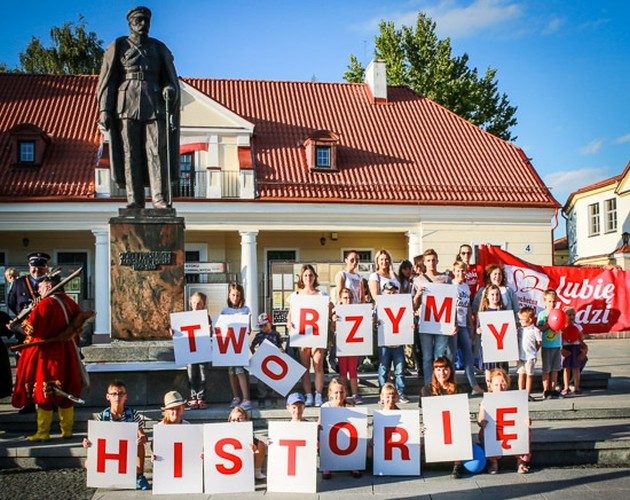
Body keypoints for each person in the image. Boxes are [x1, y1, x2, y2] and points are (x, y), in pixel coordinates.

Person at [97, 6, 180, 209]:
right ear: (130, 23)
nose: (143, 24)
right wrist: (104, 110)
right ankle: (135, 200)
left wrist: (169, 89)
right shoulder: (118, 46)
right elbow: (108, 81)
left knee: (157, 151)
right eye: (139, 20)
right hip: (126, 103)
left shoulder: (159, 48)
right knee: (130, 152)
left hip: (154, 102)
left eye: (146, 21)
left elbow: (169, 79)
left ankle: (159, 198)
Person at [11, 274, 88, 441]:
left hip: (47, 354)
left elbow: (32, 330)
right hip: (66, 350)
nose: (38, 290)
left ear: (48, 285)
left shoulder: (45, 304)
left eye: (40, 286)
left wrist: (15, 325)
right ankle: (67, 431)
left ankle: (43, 432)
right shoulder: (68, 301)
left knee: (44, 392)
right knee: (65, 391)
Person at [82, 380, 149, 490]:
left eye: (121, 393)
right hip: (110, 452)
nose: (117, 397)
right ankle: (106, 475)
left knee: (139, 445)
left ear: (125, 396)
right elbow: (93, 440)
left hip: (125, 452)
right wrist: (86, 443)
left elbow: (143, 436)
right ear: (108, 397)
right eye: (114, 394)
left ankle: (139, 476)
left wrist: (142, 438)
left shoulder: (132, 414)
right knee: (88, 463)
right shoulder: (102, 416)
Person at [287, 265, 330, 407]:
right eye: (305, 275)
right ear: (301, 277)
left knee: (318, 366)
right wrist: (289, 324)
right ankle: (308, 395)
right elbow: (291, 315)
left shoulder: (321, 295)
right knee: (304, 367)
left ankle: (318, 394)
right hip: (303, 335)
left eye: (311, 275)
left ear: (315, 277)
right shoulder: (296, 296)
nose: (308, 278)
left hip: (317, 334)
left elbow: (330, 310)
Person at [478, 368, 532, 474]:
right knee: (485, 432)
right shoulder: (486, 401)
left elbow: (522, 415)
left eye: (502, 384)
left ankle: (521, 462)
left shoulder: (515, 399)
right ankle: (493, 462)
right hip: (496, 428)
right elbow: (480, 418)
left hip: (510, 428)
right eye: (496, 385)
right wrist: (482, 422)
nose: (500, 388)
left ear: (507, 384)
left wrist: (527, 421)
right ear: (491, 386)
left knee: (527, 431)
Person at [419, 357, 463, 479]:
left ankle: (457, 465)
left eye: (445, 369)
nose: (442, 373)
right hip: (435, 426)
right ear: (434, 371)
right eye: (438, 369)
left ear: (450, 370)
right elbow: (426, 413)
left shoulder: (458, 389)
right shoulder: (426, 390)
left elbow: (460, 412)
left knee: (459, 433)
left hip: (452, 426)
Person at [415, 249, 453, 385]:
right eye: (428, 260)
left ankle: (440, 384)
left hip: (443, 323)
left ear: (437, 260)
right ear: (424, 262)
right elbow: (413, 305)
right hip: (426, 322)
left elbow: (452, 302)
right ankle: (428, 386)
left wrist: (452, 322)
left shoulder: (446, 279)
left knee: (439, 356)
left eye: (433, 260)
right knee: (426, 357)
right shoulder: (418, 280)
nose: (431, 263)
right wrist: (418, 295)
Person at [319, 378, 361, 479]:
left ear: (346, 392)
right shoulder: (325, 407)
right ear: (330, 394)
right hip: (330, 437)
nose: (339, 395)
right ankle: (327, 467)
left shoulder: (350, 406)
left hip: (347, 436)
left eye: (342, 392)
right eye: (336, 392)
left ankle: (353, 466)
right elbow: (319, 424)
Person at [452, 261, 483, 396]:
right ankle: (451, 385)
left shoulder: (466, 287)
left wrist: (471, 325)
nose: (460, 273)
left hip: (464, 324)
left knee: (468, 355)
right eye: (458, 271)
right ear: (454, 271)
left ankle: (474, 385)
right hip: (453, 325)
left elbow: (468, 307)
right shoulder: (450, 285)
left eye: (463, 271)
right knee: (451, 356)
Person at [377, 281, 410, 403]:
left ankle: (401, 393)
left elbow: (407, 322)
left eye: (393, 292)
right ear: (383, 293)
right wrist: (375, 322)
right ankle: (382, 394)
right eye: (388, 292)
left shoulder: (402, 305)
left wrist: (410, 326)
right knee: (383, 369)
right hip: (384, 343)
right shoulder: (379, 306)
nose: (390, 294)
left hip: (398, 343)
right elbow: (374, 320)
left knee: (400, 370)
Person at [221, 283, 252, 410]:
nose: (235, 297)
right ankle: (236, 397)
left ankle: (246, 398)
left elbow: (248, 328)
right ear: (229, 295)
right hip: (228, 344)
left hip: (240, 343)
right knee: (231, 371)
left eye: (238, 295)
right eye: (233, 295)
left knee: (240, 370)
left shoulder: (245, 310)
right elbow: (221, 328)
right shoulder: (224, 311)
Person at [477, 284, 511, 389]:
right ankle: (490, 388)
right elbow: (478, 328)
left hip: (500, 345)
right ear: (487, 296)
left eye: (497, 294)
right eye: (492, 295)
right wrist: (479, 330)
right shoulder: (483, 311)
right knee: (489, 369)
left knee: (501, 368)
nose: (495, 297)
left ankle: (502, 388)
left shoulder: (503, 311)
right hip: (488, 345)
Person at [333, 288, 362, 404]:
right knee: (343, 370)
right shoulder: (336, 311)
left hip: (353, 343)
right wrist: (333, 320)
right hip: (341, 343)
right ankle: (344, 393)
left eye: (350, 298)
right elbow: (331, 328)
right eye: (345, 298)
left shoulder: (356, 310)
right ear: (340, 299)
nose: (348, 300)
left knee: (353, 369)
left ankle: (355, 393)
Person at [184, 292, 210, 409]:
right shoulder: (186, 317)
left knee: (203, 373)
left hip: (202, 350)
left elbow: (211, 333)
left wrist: (210, 330)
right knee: (191, 373)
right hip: (190, 350)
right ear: (190, 303)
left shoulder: (206, 317)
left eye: (199, 303)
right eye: (194, 302)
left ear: (203, 304)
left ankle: (201, 397)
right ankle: (193, 397)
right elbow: (181, 332)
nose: (196, 305)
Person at [251, 312, 283, 407]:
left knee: (275, 378)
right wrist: (255, 354)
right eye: (261, 326)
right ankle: (262, 396)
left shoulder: (276, 334)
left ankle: (274, 395)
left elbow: (280, 346)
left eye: (265, 325)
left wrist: (281, 351)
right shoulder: (259, 336)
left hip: (274, 359)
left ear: (270, 323)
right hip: (263, 360)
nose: (263, 328)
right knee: (261, 379)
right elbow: (252, 346)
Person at [228, 406, 267, 480]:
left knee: (261, 444)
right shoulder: (223, 433)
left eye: (240, 418)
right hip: (230, 461)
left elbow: (257, 450)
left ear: (246, 420)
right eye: (233, 420)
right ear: (229, 421)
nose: (236, 422)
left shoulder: (248, 434)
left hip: (245, 461)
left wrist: (255, 450)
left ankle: (257, 471)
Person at [537, 289, 562, 399]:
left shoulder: (559, 313)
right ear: (545, 301)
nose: (552, 303)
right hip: (547, 346)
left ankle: (553, 390)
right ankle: (546, 390)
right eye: (550, 301)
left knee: (555, 369)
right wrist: (548, 324)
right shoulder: (542, 314)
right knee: (546, 369)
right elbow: (539, 328)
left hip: (557, 345)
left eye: (554, 301)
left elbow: (563, 326)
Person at [517, 306, 542, 400]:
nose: (520, 321)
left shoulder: (535, 330)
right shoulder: (520, 330)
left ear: (530, 319)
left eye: (522, 319)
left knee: (529, 374)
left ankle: (527, 394)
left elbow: (539, 342)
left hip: (530, 356)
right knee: (521, 373)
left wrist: (534, 351)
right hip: (520, 355)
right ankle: (520, 392)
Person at [561, 307, 583, 396]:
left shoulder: (578, 326)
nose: (571, 317)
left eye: (573, 315)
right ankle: (566, 387)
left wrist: (577, 337)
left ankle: (577, 387)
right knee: (566, 368)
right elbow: (560, 338)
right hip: (566, 347)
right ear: (564, 316)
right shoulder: (562, 327)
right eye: (569, 315)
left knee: (576, 368)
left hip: (576, 347)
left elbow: (582, 339)